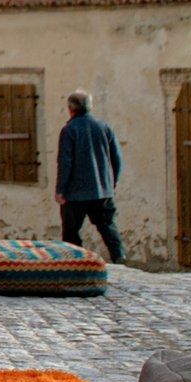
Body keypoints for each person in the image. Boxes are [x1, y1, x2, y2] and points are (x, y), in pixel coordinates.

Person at [54, 90, 126, 262]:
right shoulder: (104, 127)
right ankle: (119, 255)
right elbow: (116, 157)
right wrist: (113, 181)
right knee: (107, 226)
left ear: (70, 109)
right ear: (90, 107)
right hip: (102, 190)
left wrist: (60, 189)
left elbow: (65, 162)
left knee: (71, 232)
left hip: (74, 192)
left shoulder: (69, 130)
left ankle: (76, 262)